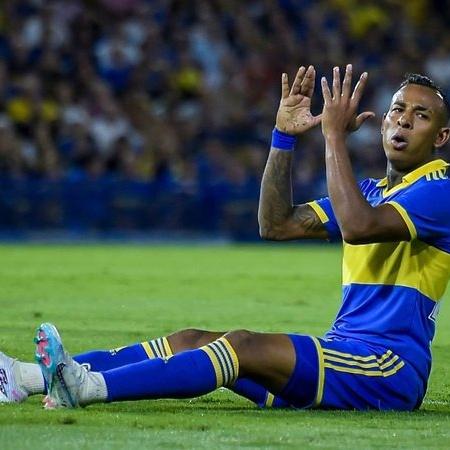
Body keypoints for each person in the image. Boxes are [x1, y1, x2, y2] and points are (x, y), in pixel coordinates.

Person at [1, 65, 449, 410]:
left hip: (386, 367)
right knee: (193, 339)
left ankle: (88, 387)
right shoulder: (371, 193)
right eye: (397, 109)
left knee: (240, 344)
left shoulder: (440, 188)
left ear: (441, 136)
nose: (403, 121)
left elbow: (359, 227)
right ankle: (23, 378)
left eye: (420, 115)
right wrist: (284, 140)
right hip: (343, 351)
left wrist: (332, 135)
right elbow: (276, 224)